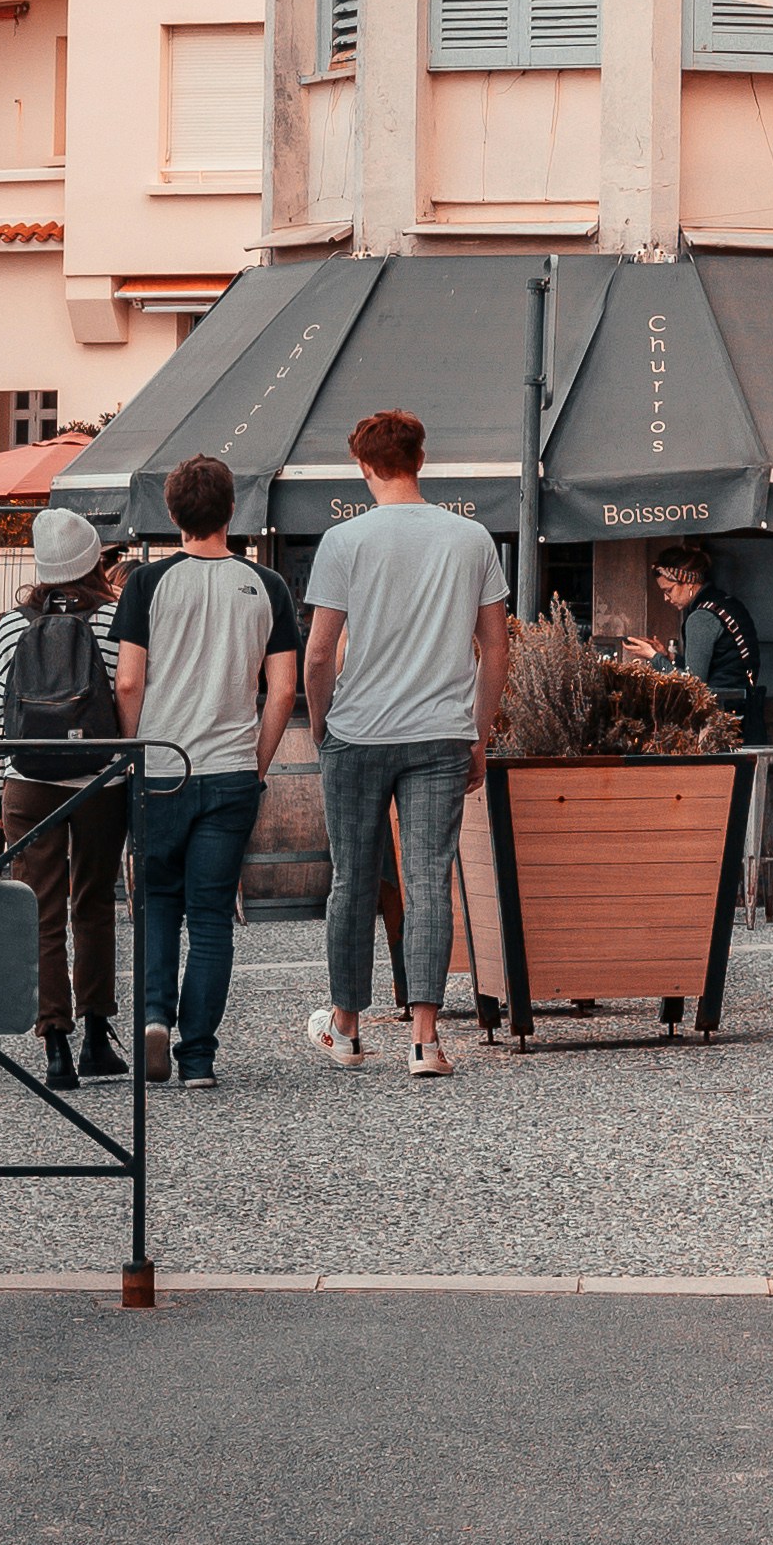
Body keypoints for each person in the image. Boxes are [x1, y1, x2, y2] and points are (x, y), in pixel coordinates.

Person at [300, 408, 511, 1080]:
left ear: (364, 466)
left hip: (358, 732)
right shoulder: (472, 537)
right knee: (428, 881)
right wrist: (480, 729)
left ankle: (347, 1028)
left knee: (352, 880)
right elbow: (497, 646)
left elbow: (318, 653)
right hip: (441, 733)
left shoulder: (344, 540)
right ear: (422, 458)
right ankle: (425, 1041)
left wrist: (321, 724)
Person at [112, 454, 304, 1087]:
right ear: (233, 511)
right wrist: (256, 763)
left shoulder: (146, 584)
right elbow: (281, 692)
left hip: (161, 768)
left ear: (171, 514)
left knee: (158, 902)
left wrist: (134, 751)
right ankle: (198, 1057)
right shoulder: (268, 586)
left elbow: (131, 679)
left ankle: (152, 1020)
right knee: (213, 916)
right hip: (229, 773)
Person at [0, 501, 130, 1085]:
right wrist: (125, 773)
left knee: (41, 912)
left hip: (28, 784)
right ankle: (97, 1036)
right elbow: (128, 703)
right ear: (95, 560)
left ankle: (55, 1048)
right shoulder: (113, 622)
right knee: (93, 904)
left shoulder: (12, 626)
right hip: (98, 785)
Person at [640, 546, 768, 723]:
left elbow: (692, 684)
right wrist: (669, 657)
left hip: (721, 716)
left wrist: (653, 657)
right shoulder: (726, 603)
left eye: (668, 590)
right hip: (743, 707)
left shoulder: (701, 617)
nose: (666, 599)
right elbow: (721, 663)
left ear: (689, 583)